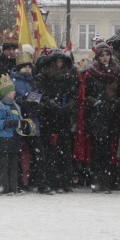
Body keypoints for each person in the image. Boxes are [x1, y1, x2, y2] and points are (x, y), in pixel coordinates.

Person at [80, 43, 120, 194]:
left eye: (107, 55)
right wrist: (95, 102)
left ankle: (106, 181)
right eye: (102, 55)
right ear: (98, 57)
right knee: (97, 150)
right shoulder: (90, 73)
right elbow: (84, 95)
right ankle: (95, 181)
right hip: (96, 116)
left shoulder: (116, 73)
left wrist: (114, 104)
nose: (105, 58)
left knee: (107, 150)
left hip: (111, 116)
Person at [34, 50, 79, 193]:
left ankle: (65, 181)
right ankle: (49, 181)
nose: (59, 64)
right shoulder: (42, 78)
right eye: (57, 61)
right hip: (47, 118)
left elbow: (74, 96)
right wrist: (50, 104)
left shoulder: (68, 78)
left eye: (62, 61)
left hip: (63, 118)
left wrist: (69, 106)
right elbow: (36, 96)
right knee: (48, 151)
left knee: (64, 150)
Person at [11, 50, 53, 194]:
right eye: (24, 66)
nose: (27, 69)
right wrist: (24, 103)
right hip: (19, 120)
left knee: (39, 153)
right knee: (17, 153)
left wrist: (38, 105)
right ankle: (17, 183)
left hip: (33, 121)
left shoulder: (35, 81)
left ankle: (40, 183)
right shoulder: (13, 82)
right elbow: (12, 99)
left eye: (29, 66)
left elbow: (39, 96)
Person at [0, 74, 24, 195]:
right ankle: (3, 187)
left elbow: (20, 119)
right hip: (3, 138)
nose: (14, 92)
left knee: (14, 163)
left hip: (15, 137)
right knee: (3, 163)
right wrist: (11, 123)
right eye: (11, 90)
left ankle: (13, 186)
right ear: (5, 93)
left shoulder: (15, 105)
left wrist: (22, 124)